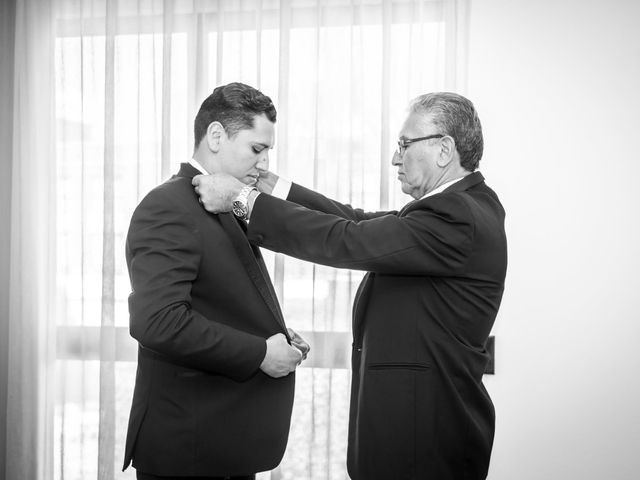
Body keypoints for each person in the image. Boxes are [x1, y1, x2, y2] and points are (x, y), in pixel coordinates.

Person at [192, 92, 508, 480]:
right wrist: (275, 188)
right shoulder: (459, 207)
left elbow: (349, 240)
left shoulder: (456, 216)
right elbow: (355, 221)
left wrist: (242, 201)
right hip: (416, 431)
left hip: (423, 440)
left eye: (404, 144)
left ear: (444, 149)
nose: (396, 157)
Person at [123, 82, 309, 480]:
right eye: (257, 150)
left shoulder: (224, 201)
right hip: (189, 448)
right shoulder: (168, 205)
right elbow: (158, 321)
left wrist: (276, 336)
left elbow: (219, 301)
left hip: (222, 443)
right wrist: (260, 352)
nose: (263, 165)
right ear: (216, 135)